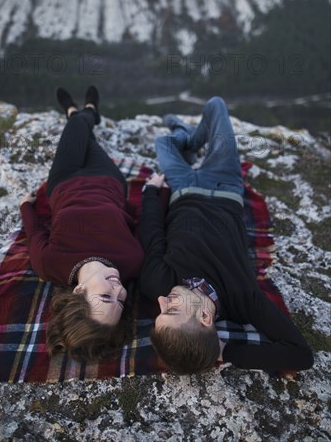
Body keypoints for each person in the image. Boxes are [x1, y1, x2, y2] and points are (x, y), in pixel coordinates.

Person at [138, 96, 314, 374]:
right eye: (171, 311)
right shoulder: (243, 299)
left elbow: (151, 231)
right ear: (205, 317)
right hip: (225, 184)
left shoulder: (159, 282)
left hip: (182, 187)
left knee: (163, 143)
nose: (161, 301)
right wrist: (225, 351)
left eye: (161, 312)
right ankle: (187, 138)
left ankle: (188, 138)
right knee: (216, 106)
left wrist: (150, 192)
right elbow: (300, 356)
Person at [19, 86, 144, 362]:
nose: (118, 289)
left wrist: (26, 205)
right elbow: (144, 221)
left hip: (63, 180)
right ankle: (84, 112)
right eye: (121, 301)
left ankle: (80, 113)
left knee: (77, 131)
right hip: (107, 180)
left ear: (79, 291)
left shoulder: (50, 263)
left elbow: (34, 231)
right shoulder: (133, 261)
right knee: (85, 136)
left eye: (106, 297)